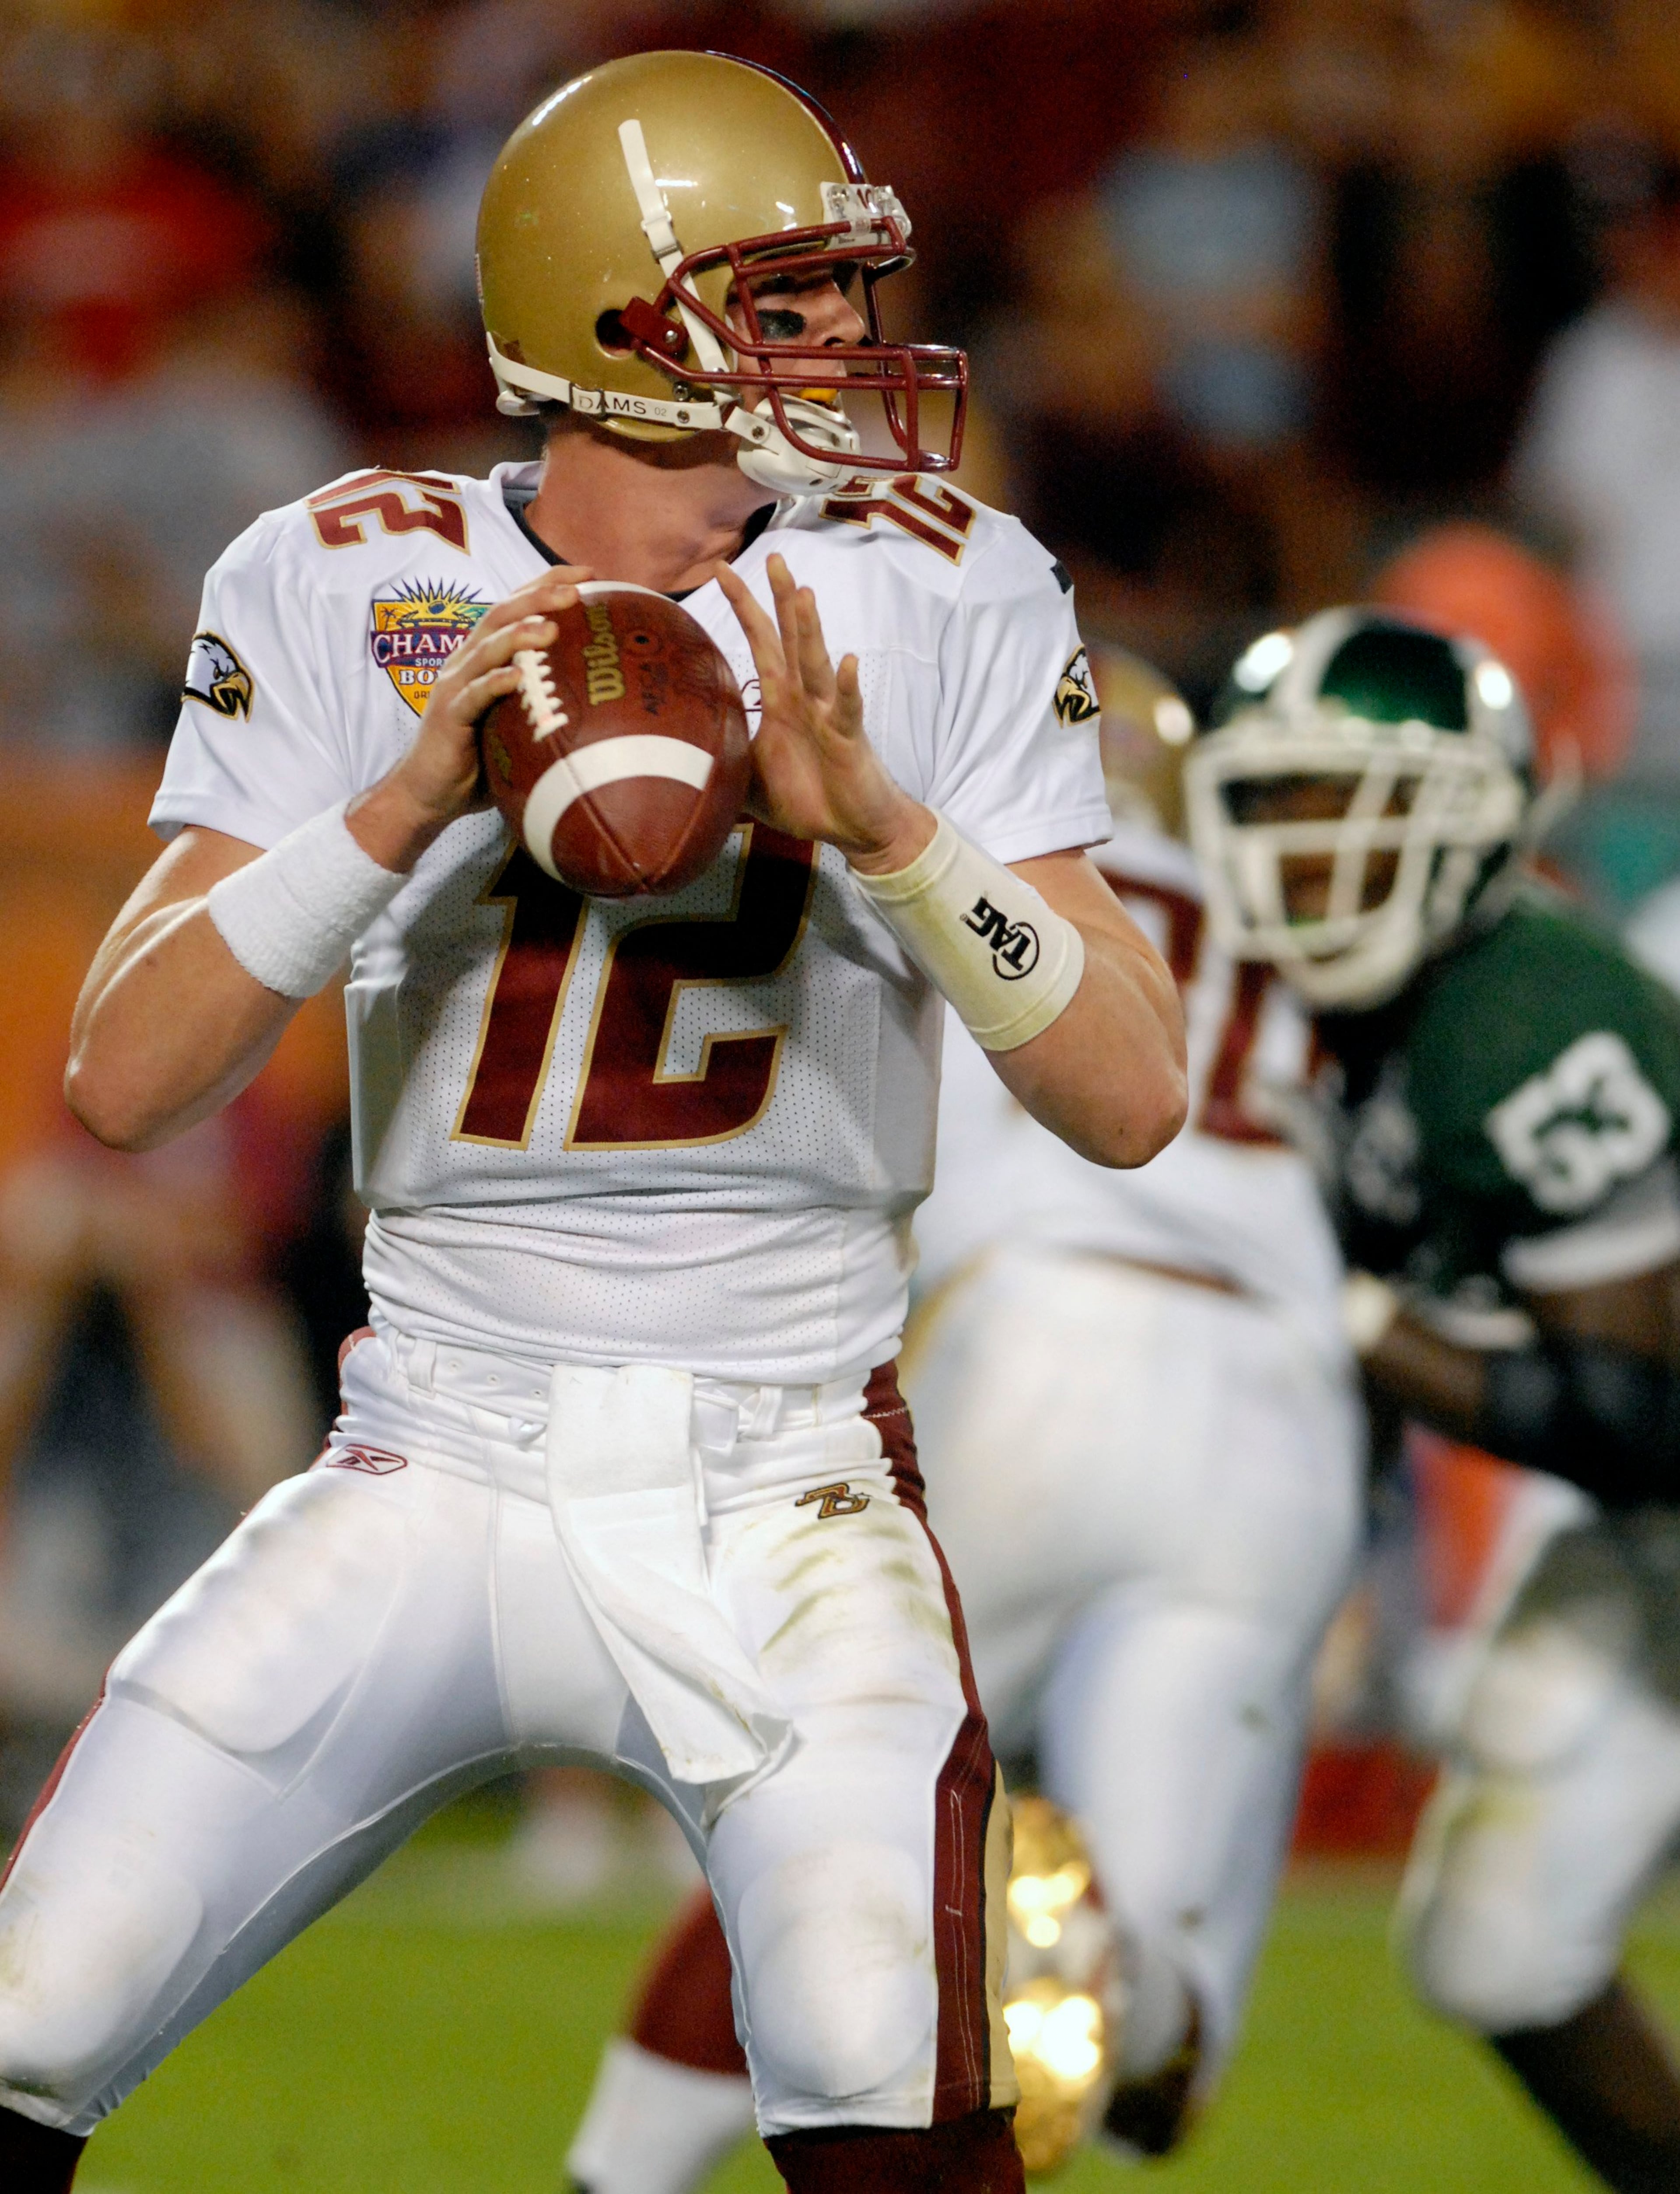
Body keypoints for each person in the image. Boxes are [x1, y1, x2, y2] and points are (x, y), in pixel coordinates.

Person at [0, 49, 1185, 2194]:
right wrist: (393, 808)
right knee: (31, 2008)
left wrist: (899, 839)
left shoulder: (948, 579)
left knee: (877, 2084)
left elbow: (1126, 1088)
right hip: (431, 1448)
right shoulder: (343, 573)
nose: (846, 349)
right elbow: (126, 1074)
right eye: (792, 302)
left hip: (789, 1474)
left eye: (843, 299)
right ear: (624, 322)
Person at [564, 648, 1363, 2193]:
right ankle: (1078, 1971)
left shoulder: (938, 851)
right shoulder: (1274, 924)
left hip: (1046, 1340)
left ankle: (618, 2178)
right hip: (1286, 1419)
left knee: (811, 1811)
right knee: (1145, 2066)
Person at [1185, 604, 1680, 2194]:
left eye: (1350, 806)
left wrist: (1347, 1320)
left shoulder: (1539, 1008)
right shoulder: (1308, 1022)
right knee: (1497, 1949)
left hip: (1650, 1475)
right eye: (1280, 807)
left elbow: (1641, 1411)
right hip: (1646, 1543)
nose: (1306, 854)